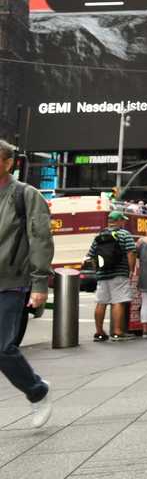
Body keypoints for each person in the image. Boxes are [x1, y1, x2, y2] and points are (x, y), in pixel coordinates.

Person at [0, 139, 54, 427]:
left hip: (11, 282)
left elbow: (41, 240)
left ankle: (37, 391)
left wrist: (39, 284)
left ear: (8, 163)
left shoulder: (25, 195)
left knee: (2, 348)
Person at [86, 209, 137, 341]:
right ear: (119, 221)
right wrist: (131, 270)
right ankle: (117, 332)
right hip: (119, 273)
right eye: (122, 220)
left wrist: (97, 270)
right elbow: (131, 252)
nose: (123, 223)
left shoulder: (100, 236)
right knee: (118, 301)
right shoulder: (125, 234)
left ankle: (99, 332)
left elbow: (91, 256)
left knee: (101, 302)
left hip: (103, 274)